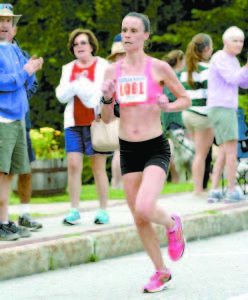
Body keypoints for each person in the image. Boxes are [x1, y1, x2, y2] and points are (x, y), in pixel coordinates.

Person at [101, 12, 190, 293]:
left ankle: (172, 223)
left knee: (145, 207)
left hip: (155, 147)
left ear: (145, 36)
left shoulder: (159, 67)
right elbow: (105, 119)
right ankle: (161, 272)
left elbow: (184, 98)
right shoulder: (111, 71)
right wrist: (106, 97)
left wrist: (168, 105)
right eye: (124, 30)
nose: (127, 35)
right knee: (139, 218)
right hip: (127, 150)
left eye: (133, 30)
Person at [56, 28, 111, 225]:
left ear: (91, 46)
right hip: (73, 124)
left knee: (98, 168)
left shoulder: (104, 65)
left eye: (83, 43)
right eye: (76, 44)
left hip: (96, 123)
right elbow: (61, 95)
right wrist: (76, 85)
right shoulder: (67, 68)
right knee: (73, 166)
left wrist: (80, 86)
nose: (79, 46)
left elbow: (96, 96)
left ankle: (103, 210)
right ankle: (74, 210)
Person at [0, 3, 43, 241]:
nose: (4, 24)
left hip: (17, 119)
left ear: (13, 26)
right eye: (0, 20)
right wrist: (25, 72)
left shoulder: (16, 51)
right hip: (2, 119)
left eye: (8, 21)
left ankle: (5, 222)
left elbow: (27, 81)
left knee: (8, 174)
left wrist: (31, 69)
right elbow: (3, 83)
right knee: (1, 173)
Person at [207, 26, 248, 203]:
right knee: (231, 151)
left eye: (241, 41)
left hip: (224, 108)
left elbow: (243, 83)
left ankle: (214, 190)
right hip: (222, 108)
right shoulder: (220, 58)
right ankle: (231, 191)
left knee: (224, 152)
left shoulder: (233, 60)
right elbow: (233, 78)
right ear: (225, 41)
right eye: (235, 40)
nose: (239, 44)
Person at [181, 33, 214, 196]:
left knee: (198, 153)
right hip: (202, 115)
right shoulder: (206, 69)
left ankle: (200, 187)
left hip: (187, 114)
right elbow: (212, 93)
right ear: (206, 49)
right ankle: (198, 190)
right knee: (201, 154)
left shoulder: (186, 70)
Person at [161, 50, 186, 183]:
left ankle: (178, 179)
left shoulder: (173, 76)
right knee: (176, 151)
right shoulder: (173, 77)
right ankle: (176, 179)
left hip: (171, 118)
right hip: (174, 119)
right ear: (179, 61)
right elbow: (169, 96)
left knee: (174, 150)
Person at [107, 33, 126, 189]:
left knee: (119, 150)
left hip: (113, 109)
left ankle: (116, 182)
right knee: (121, 150)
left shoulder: (110, 68)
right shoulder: (124, 68)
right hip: (121, 109)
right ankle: (117, 182)